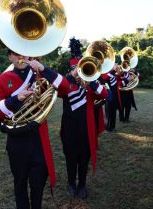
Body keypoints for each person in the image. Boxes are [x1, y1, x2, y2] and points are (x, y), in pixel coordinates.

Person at [40, 37, 108, 199]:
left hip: (86, 129)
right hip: (69, 128)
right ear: (71, 69)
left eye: (80, 68)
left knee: (84, 159)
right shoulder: (66, 84)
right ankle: (71, 183)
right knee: (71, 158)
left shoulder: (91, 85)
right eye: (75, 69)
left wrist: (90, 81)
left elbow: (105, 94)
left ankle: (82, 184)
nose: (78, 72)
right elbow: (58, 86)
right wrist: (70, 77)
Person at [0, 49, 56, 209]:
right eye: (15, 53)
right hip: (17, 140)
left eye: (23, 52)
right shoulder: (2, 79)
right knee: (20, 183)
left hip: (38, 138)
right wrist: (15, 99)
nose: (21, 56)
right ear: (10, 57)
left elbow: (57, 88)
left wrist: (42, 69)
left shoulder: (38, 73)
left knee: (39, 181)